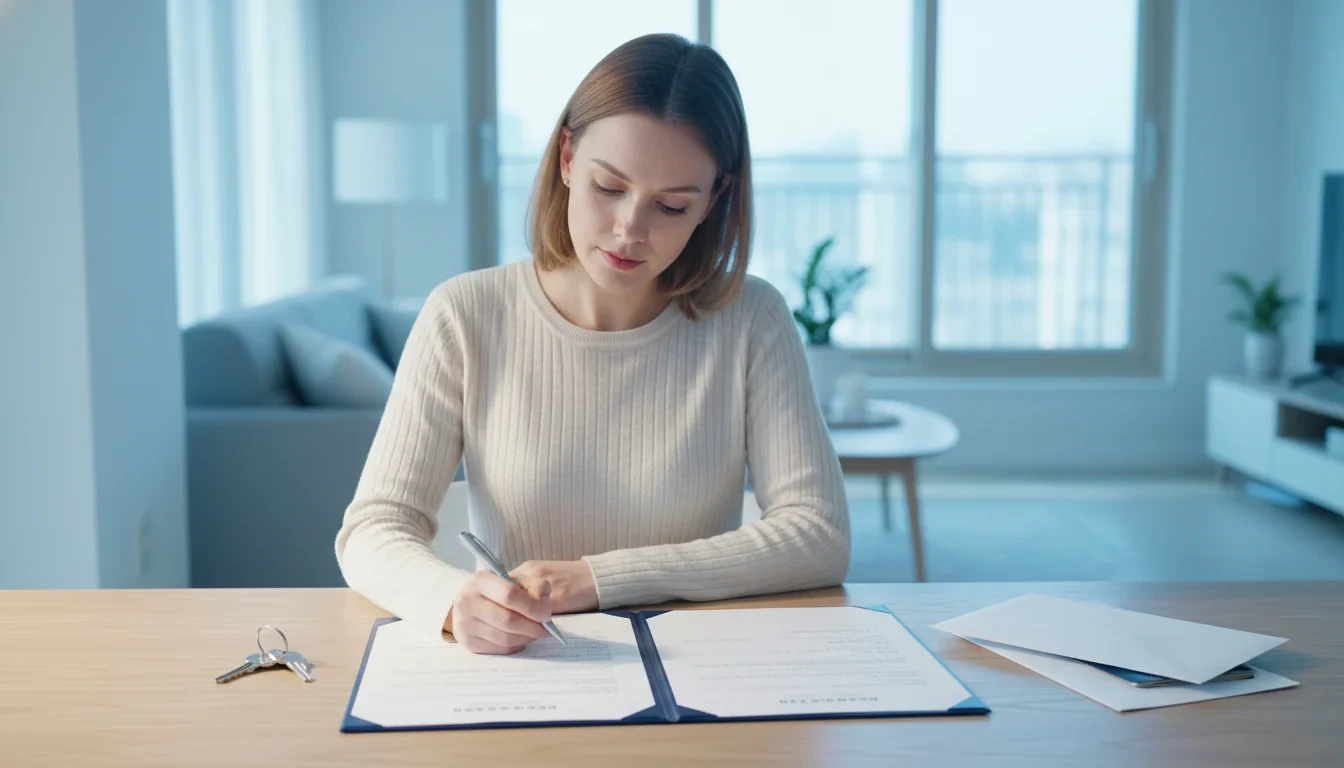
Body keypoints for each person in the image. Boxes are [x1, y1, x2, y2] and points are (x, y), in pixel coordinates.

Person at [335, 33, 849, 655]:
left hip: (700, 674)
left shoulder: (752, 318)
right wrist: (450, 601)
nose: (631, 230)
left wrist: (601, 578)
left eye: (671, 205)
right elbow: (373, 530)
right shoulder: (464, 314)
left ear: (714, 200)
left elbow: (818, 533)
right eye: (610, 188)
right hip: (530, 672)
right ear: (568, 158)